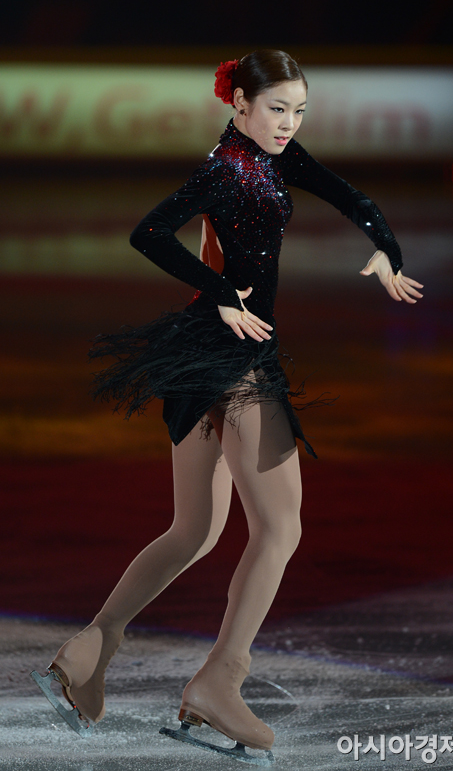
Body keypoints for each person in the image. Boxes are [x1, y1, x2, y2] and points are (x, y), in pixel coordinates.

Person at [31, 49, 423, 763]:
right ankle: (220, 680)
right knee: (280, 526)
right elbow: (148, 232)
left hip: (196, 357)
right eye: (277, 108)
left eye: (299, 110)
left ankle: (90, 649)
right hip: (232, 357)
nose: (289, 122)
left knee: (195, 530)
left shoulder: (275, 157)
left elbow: (352, 199)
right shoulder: (224, 168)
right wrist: (220, 294)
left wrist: (386, 249)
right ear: (239, 101)